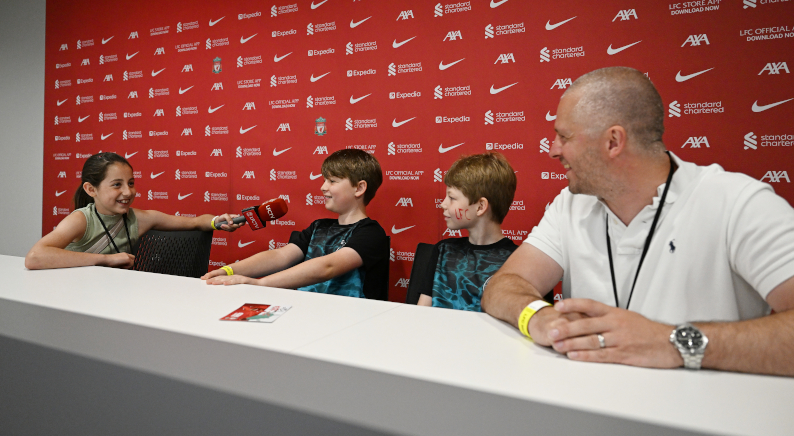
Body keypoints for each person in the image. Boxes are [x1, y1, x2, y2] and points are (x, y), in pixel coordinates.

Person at [481, 67, 794, 376]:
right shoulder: (571, 205)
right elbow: (502, 287)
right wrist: (537, 316)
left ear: (614, 142)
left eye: (564, 137)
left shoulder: (736, 203)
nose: (553, 150)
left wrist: (672, 342)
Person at [202, 149, 390, 300]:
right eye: (324, 180)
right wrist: (228, 270)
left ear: (359, 188)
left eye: (332, 181)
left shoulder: (371, 234)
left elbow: (328, 266)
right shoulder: (318, 226)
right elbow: (280, 256)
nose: (323, 187)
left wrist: (259, 284)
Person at [25, 152, 243, 270]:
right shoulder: (81, 219)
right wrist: (106, 259)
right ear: (91, 189)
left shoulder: (140, 218)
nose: (127, 192)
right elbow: (35, 257)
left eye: (130, 183)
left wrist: (217, 221)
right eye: (117, 185)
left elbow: (195, 223)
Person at [412, 152, 518, 311]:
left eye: (452, 198)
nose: (443, 204)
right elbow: (420, 314)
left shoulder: (518, 261)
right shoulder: (443, 251)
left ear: (480, 207)